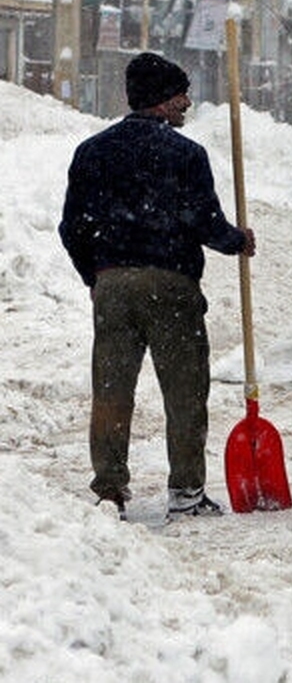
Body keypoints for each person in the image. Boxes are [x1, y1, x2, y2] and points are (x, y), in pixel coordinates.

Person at [59, 52, 256, 521]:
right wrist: (237, 241)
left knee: (111, 391)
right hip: (171, 287)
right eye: (181, 95)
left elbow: (71, 227)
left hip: (113, 288)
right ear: (163, 101)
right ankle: (186, 492)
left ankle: (109, 490)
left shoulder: (92, 151)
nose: (188, 103)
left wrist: (97, 275)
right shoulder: (185, 154)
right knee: (185, 392)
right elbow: (204, 222)